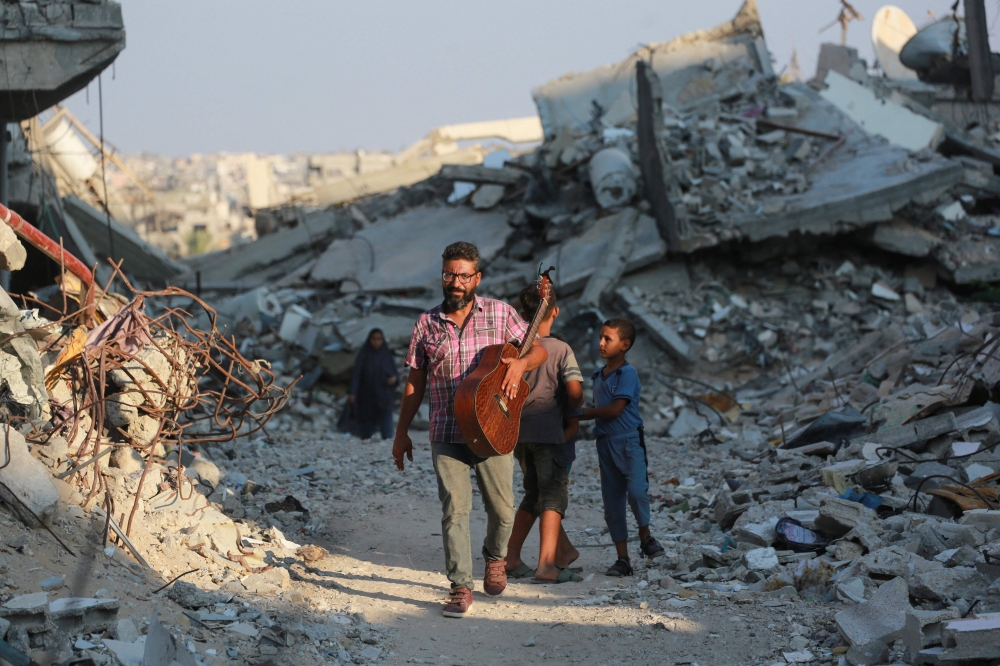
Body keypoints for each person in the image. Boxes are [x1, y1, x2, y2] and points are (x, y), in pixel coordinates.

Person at [392, 241, 548, 618]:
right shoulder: (426, 324)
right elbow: (415, 382)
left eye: (463, 275)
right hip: (446, 428)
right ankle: (460, 586)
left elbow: (538, 349)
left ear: (477, 278)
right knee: (455, 511)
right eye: (449, 274)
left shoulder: (500, 313)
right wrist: (401, 432)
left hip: (494, 427)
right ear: (442, 275)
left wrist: (518, 366)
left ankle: (495, 557)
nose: (455, 282)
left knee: (503, 509)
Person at [504, 285, 584, 583]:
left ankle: (510, 558)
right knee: (553, 498)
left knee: (533, 495)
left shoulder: (515, 349)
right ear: (556, 311)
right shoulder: (561, 349)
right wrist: (575, 403)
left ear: (523, 316)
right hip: (549, 433)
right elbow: (575, 393)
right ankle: (547, 565)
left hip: (518, 433)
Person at [580, 318, 665, 577]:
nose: (601, 343)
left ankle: (646, 536)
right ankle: (623, 559)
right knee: (612, 503)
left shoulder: (627, 374)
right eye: (601, 337)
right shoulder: (597, 375)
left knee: (637, 491)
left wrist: (582, 413)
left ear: (625, 345)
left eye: (608, 339)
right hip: (605, 443)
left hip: (628, 440)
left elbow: (616, 409)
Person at [348, 329, 399, 440]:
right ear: (369, 340)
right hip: (366, 396)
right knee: (366, 426)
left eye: (379, 339)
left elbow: (394, 374)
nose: (376, 342)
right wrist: (353, 392)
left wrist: (393, 379)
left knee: (386, 424)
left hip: (383, 396)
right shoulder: (364, 354)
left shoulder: (386, 355)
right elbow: (357, 374)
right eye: (374, 339)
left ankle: (386, 442)